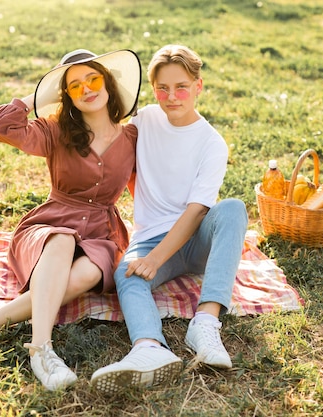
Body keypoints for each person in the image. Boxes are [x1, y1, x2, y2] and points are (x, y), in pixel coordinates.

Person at [0, 49, 142, 392]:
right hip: (50, 224)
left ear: (109, 82)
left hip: (102, 234)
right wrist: (45, 92)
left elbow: (149, 190)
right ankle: (42, 350)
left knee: (87, 274)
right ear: (65, 95)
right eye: (74, 86)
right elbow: (1, 126)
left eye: (93, 78)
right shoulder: (55, 130)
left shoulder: (132, 138)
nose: (87, 88)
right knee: (62, 239)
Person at [90, 44, 248, 394]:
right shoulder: (145, 120)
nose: (171, 96)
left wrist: (156, 258)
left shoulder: (212, 143)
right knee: (126, 272)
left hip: (198, 240)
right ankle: (148, 347)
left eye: (181, 87)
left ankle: (205, 323)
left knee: (234, 208)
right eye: (163, 88)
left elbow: (197, 212)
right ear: (153, 89)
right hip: (150, 236)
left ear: (198, 87)